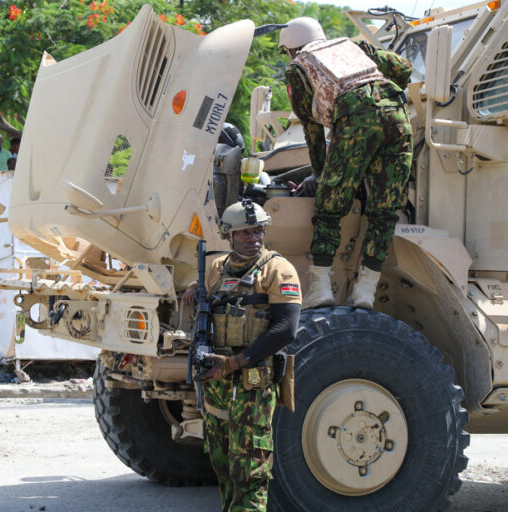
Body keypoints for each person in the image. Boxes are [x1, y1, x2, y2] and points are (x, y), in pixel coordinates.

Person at [279, 17, 413, 310]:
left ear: (290, 48)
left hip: (355, 119)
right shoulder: (355, 45)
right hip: (397, 115)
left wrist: (321, 173)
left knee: (330, 205)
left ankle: (320, 287)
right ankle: (365, 292)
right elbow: (404, 68)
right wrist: (381, 95)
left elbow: (312, 129)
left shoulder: (298, 67)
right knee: (385, 209)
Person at [182, 200, 301, 512]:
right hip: (216, 384)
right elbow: (204, 296)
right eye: (245, 233)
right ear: (229, 236)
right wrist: (194, 291)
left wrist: (235, 363)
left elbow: (286, 329)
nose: (254, 238)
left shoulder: (278, 270)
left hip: (252, 383)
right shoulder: (215, 268)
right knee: (222, 467)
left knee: (250, 471)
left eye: (258, 231)